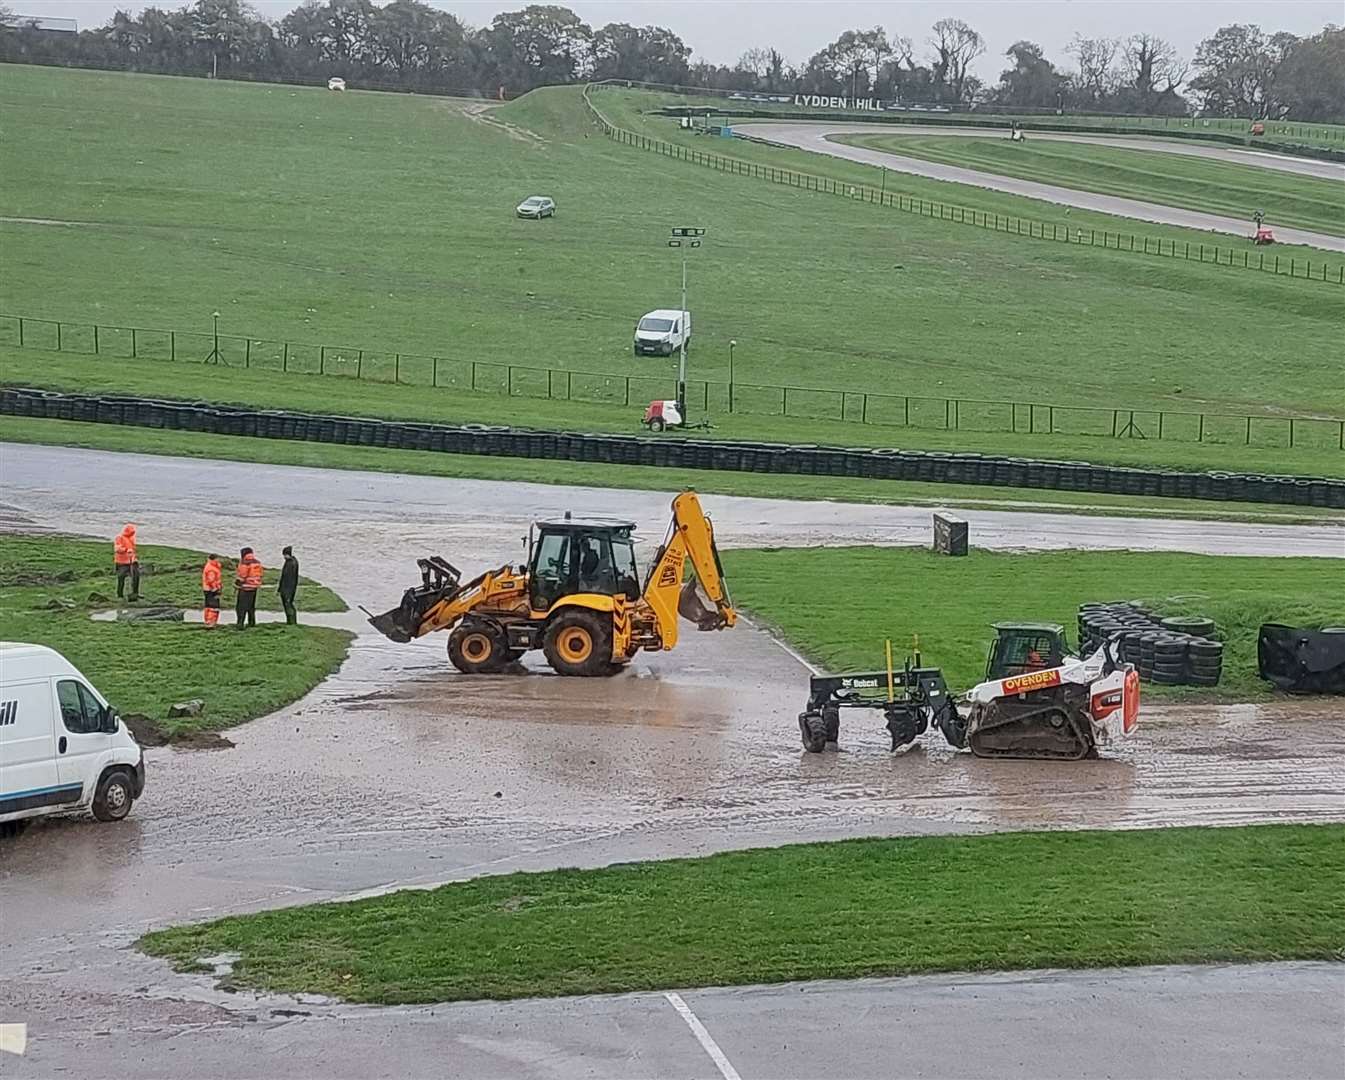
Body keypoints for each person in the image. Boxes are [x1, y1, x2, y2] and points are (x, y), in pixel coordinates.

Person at [235, 547, 263, 629]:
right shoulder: (257, 562)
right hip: (254, 587)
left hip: (245, 587)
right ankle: (252, 622)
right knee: (251, 606)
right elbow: (261, 574)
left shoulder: (245, 563)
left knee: (241, 607)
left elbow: (242, 575)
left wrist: (237, 583)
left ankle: (240, 624)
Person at [113, 523, 139, 602]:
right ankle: (119, 594)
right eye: (131, 532)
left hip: (131, 561)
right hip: (122, 562)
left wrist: (135, 559)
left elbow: (133, 550)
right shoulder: (119, 538)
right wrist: (125, 550)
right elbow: (117, 548)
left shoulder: (131, 539)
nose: (132, 533)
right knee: (121, 577)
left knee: (136, 576)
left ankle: (135, 593)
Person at [278, 546, 299, 626]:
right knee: (288, 604)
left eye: (284, 555)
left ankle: (291, 622)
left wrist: (283, 589)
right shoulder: (291, 561)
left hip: (288, 588)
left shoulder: (291, 563)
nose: (283, 557)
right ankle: (291, 621)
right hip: (288, 587)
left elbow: (287, 577)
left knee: (288, 604)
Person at [201, 554, 222, 629]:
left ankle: (208, 621)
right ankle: (211, 623)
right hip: (211, 589)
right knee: (213, 606)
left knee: (208, 606)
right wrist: (215, 588)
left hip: (207, 589)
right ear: (214, 559)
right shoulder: (211, 568)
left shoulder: (211, 566)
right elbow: (211, 580)